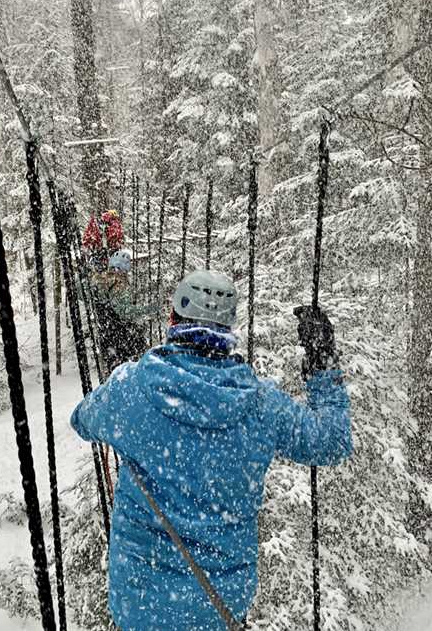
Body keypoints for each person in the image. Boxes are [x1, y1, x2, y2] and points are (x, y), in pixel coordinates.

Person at [70, 269, 352, 631]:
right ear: (228, 328)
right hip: (219, 609)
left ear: (173, 319)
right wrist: (322, 361)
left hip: (141, 606)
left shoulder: (131, 386)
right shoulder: (261, 405)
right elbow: (332, 441)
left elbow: (81, 421)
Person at [91, 249, 153, 371]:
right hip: (123, 338)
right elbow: (125, 312)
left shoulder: (98, 280)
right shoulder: (120, 284)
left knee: (115, 374)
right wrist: (147, 309)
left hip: (106, 336)